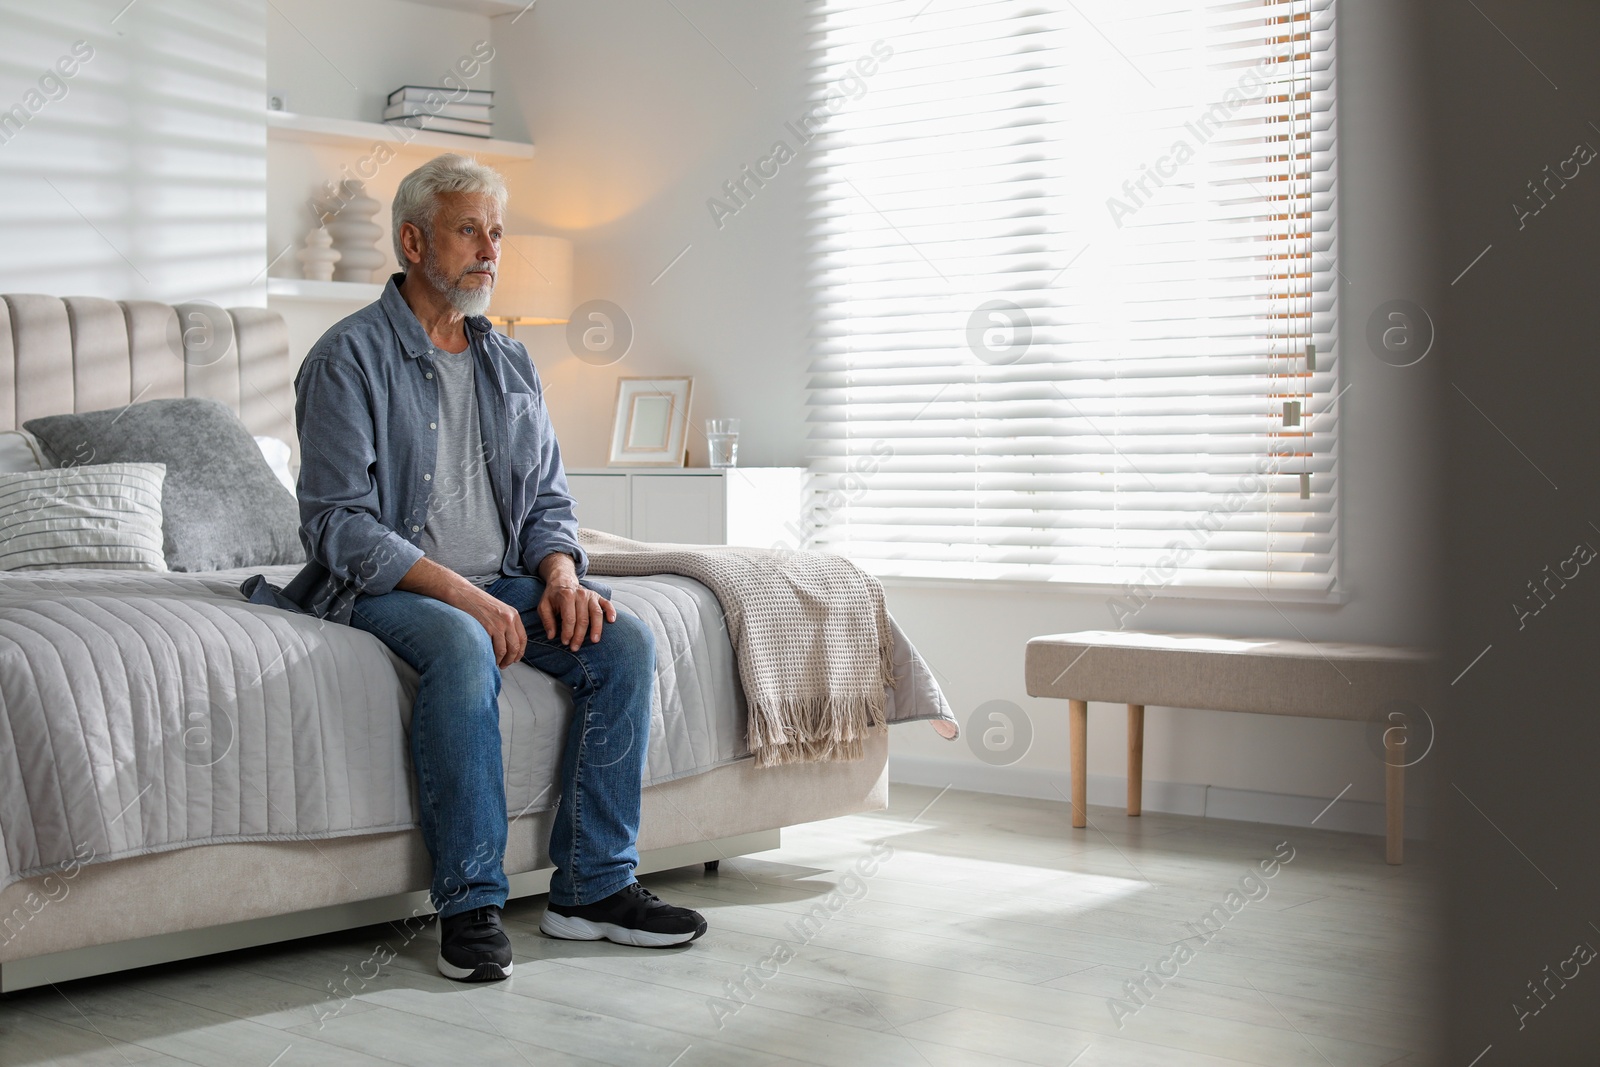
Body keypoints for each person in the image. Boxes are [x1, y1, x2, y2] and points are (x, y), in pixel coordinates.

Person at [285, 152, 706, 982]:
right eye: (468, 230)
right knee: (459, 644)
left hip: (506, 574)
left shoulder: (510, 360)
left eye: (497, 232)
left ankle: (590, 886)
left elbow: (548, 499)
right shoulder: (345, 359)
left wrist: (558, 576)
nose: (489, 249)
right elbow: (336, 525)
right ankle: (471, 898)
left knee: (622, 642)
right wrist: (464, 596)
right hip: (385, 584)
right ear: (412, 240)